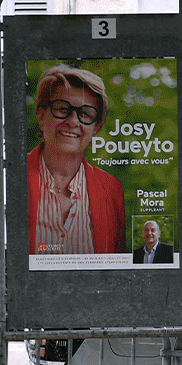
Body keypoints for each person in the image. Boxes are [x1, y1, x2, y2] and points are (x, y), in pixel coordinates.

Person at [27, 65, 126, 255]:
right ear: (41, 115)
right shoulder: (13, 176)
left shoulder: (112, 189)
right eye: (62, 108)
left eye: (85, 113)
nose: (73, 121)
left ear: (95, 128)